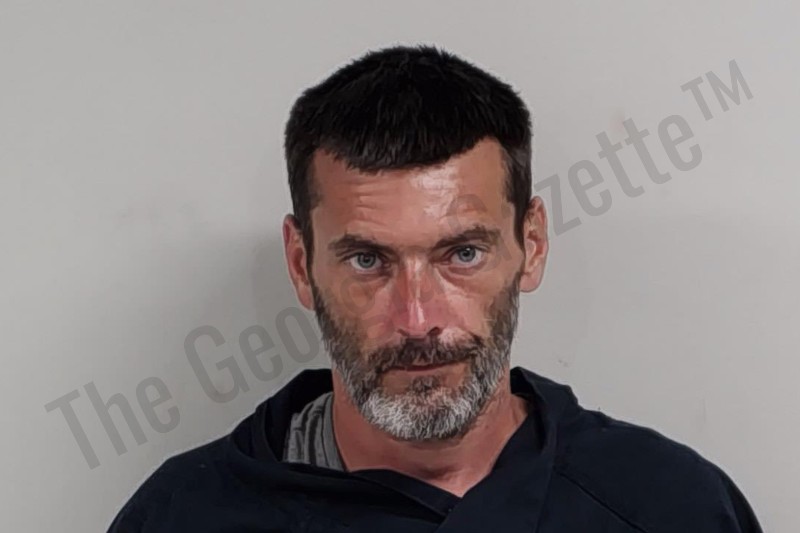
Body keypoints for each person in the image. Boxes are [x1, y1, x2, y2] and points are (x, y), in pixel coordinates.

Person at [107, 45, 763, 532]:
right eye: (368, 260)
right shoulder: (179, 517)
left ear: (531, 245)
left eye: (463, 254)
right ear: (302, 264)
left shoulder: (672, 507)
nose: (417, 319)